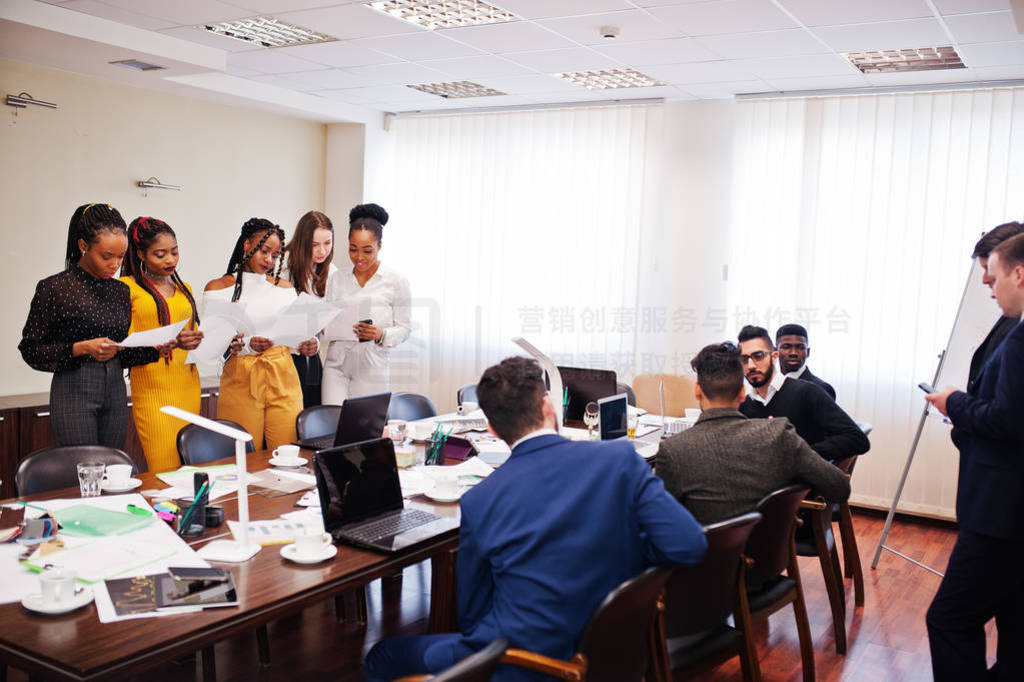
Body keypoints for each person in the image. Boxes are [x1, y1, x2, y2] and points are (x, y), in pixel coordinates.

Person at [363, 356, 707, 682]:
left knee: (383, 655)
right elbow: (688, 544)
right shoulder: (620, 460)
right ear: (548, 406)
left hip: (525, 663)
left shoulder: (481, 500)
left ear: (493, 431)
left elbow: (471, 615)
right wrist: (622, 561)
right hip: (616, 647)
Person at [925, 232, 1024, 682]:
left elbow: (1009, 419)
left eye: (994, 277)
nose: (989, 287)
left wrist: (955, 403)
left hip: (1000, 512)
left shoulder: (1020, 336)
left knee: (948, 619)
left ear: (1017, 273)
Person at [657, 341, 850, 525]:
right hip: (772, 555)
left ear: (697, 391)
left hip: (709, 556)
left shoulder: (673, 450)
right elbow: (840, 488)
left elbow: (665, 521)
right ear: (742, 392)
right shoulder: (780, 435)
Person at [19, 203, 160, 448]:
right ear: (83, 246)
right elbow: (31, 350)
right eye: (107, 256)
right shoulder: (55, 288)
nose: (116, 264)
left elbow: (121, 352)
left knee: (113, 469)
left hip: (115, 391)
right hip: (74, 389)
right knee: (82, 469)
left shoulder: (121, 291)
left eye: (120, 256)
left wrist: (157, 347)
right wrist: (81, 348)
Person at [204, 218, 309, 451]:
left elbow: (295, 338)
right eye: (264, 251)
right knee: (241, 456)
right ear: (246, 244)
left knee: (287, 454)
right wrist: (249, 345)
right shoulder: (219, 288)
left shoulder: (285, 289)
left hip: (283, 375)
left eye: (275, 254)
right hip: (242, 378)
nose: (269, 260)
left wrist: (308, 345)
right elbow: (213, 348)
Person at [120, 217, 204, 473]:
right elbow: (123, 344)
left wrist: (196, 339)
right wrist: (163, 345)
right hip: (152, 388)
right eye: (160, 254)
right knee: (164, 468)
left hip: (187, 384)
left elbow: (192, 331)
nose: (170, 260)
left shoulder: (184, 288)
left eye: (174, 252)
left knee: (191, 466)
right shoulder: (126, 288)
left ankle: (191, 514)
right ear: (141, 254)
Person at [737, 325, 869, 462]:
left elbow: (856, 439)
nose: (751, 365)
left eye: (758, 356)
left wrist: (802, 455)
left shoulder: (808, 392)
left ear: (774, 356)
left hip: (797, 480)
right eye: (744, 359)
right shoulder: (744, 405)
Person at [322, 203, 411, 404]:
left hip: (372, 366)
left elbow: (405, 328)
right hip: (336, 366)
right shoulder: (337, 278)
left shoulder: (395, 280)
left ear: (379, 246)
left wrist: (381, 333)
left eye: (367, 250)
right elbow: (328, 319)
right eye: (353, 249)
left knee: (363, 428)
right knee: (331, 426)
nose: (359, 257)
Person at [282, 210, 337, 408]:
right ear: (302, 242)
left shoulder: (332, 272)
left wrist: (314, 339)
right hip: (281, 358)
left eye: (327, 243)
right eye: (314, 245)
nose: (322, 251)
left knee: (313, 412)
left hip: (311, 356)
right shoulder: (282, 267)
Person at [966, 222, 1024, 392]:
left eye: (989, 269)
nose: (985, 279)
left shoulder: (1018, 329)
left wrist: (958, 404)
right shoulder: (1012, 315)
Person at [775, 323, 836, 399]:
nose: (793, 353)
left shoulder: (821, 389)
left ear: (808, 352)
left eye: (800, 347)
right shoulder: (770, 386)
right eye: (786, 347)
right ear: (775, 352)